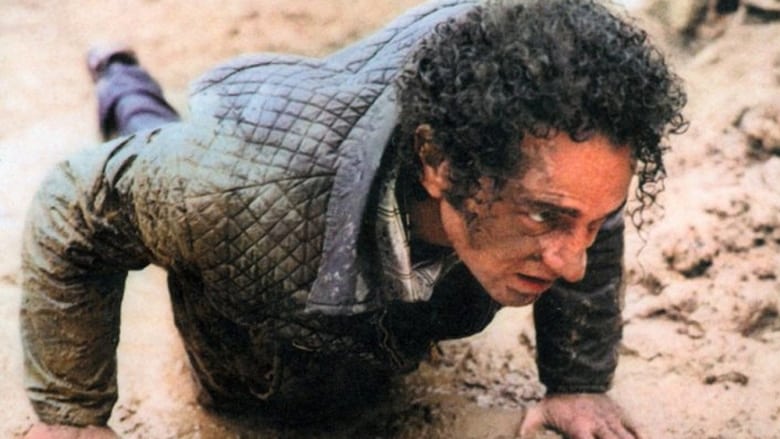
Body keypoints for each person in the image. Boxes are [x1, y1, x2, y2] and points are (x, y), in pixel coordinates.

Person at [20, 0, 687, 438]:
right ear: (439, 162)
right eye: (545, 217)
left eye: (590, 223)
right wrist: (72, 415)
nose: (573, 263)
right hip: (259, 182)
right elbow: (75, 205)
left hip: (344, 167)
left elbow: (586, 205)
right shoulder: (231, 188)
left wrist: (576, 382)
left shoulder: (562, 155)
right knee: (258, 393)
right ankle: (117, 75)